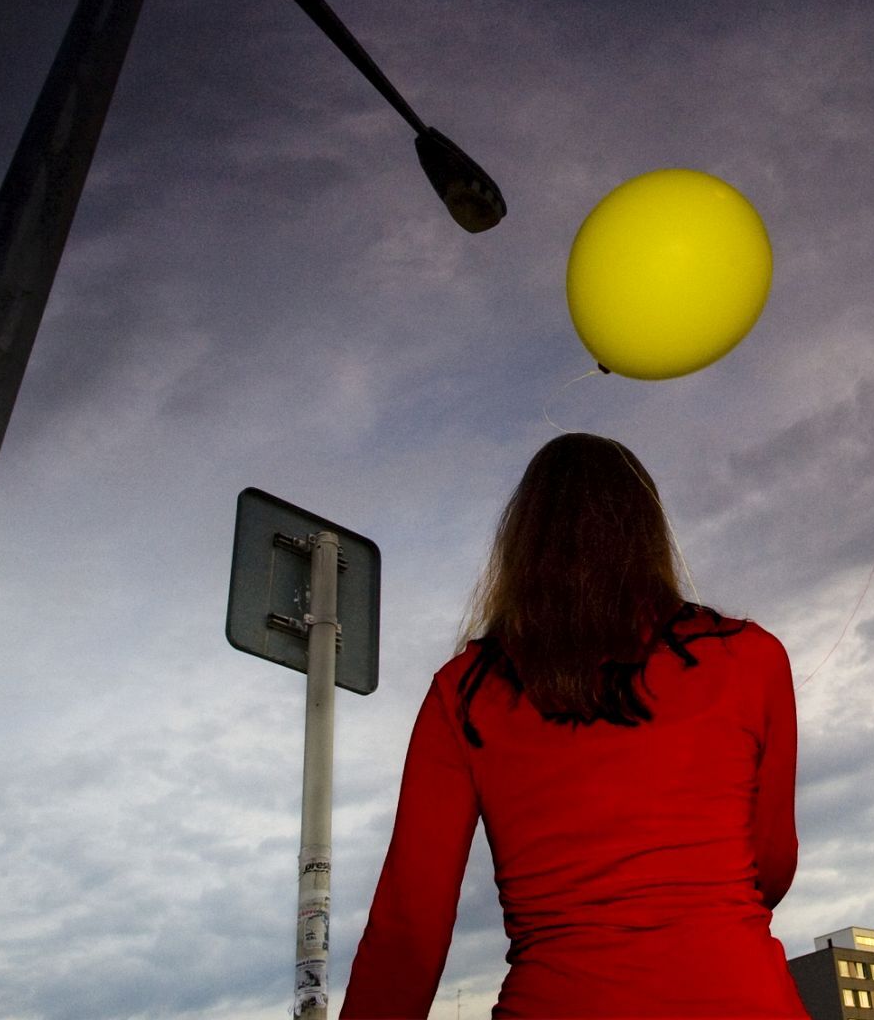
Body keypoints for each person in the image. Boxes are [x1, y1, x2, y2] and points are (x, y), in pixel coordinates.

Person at [338, 432, 809, 1019]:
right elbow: (770, 864)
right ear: (648, 535)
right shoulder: (751, 657)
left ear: (522, 545)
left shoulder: (465, 692)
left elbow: (409, 928)